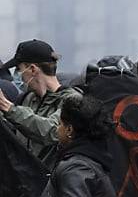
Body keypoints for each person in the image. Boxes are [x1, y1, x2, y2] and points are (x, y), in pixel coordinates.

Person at [0, 40, 81, 168]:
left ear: (32, 69)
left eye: (19, 69)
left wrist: (6, 106)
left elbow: (53, 131)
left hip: (53, 181)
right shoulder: (27, 99)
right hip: (27, 180)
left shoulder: (72, 100)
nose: (18, 75)